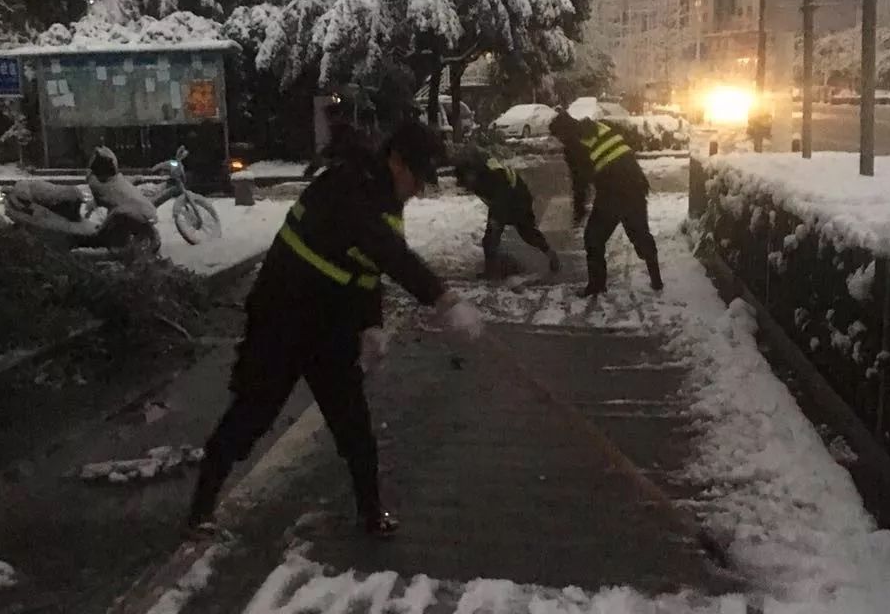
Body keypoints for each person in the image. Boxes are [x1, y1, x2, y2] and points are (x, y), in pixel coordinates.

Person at [188, 120, 483, 538]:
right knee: (252, 414)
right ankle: (199, 512)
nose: (419, 189)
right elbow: (385, 250)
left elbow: (367, 266)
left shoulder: (385, 196)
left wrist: (371, 325)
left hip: (331, 324)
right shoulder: (349, 184)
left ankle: (371, 513)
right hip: (281, 318)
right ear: (397, 161)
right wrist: (443, 299)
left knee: (353, 422)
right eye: (418, 177)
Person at [548, 109, 663, 297]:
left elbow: (580, 184)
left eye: (558, 137)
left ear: (563, 133)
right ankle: (656, 280)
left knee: (593, 238)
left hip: (612, 193)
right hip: (636, 185)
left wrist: (578, 213)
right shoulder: (600, 126)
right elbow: (627, 142)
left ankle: (596, 285)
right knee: (640, 235)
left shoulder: (573, 146)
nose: (560, 141)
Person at [453, 148, 560, 278]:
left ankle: (551, 254)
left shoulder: (494, 176)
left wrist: (496, 221)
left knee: (527, 232)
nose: (467, 181)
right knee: (489, 239)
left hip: (518, 198)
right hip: (499, 201)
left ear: (474, 171)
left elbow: (501, 201)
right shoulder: (473, 178)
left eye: (469, 176)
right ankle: (491, 270)